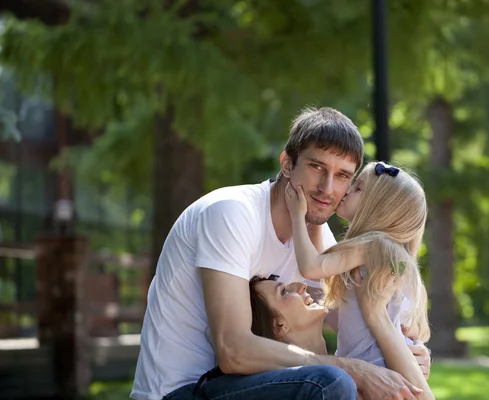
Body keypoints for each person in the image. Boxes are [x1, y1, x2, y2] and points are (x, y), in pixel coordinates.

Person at [131, 107, 429, 400]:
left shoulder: (315, 233)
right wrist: (353, 369)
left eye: (342, 176)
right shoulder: (232, 213)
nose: (327, 188)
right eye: (317, 167)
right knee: (331, 382)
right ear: (287, 164)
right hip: (183, 390)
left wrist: (407, 354)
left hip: (249, 384)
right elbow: (233, 350)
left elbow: (355, 318)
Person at [284, 161, 434, 398]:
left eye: (358, 188)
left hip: (372, 374)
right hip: (394, 371)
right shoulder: (398, 260)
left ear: (376, 207)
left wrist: (297, 215)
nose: (347, 191)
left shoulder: (371, 246)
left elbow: (311, 267)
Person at [243, 273, 434, 400]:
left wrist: (410, 358)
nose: (301, 286)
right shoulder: (329, 384)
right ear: (279, 326)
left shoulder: (360, 368)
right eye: (284, 292)